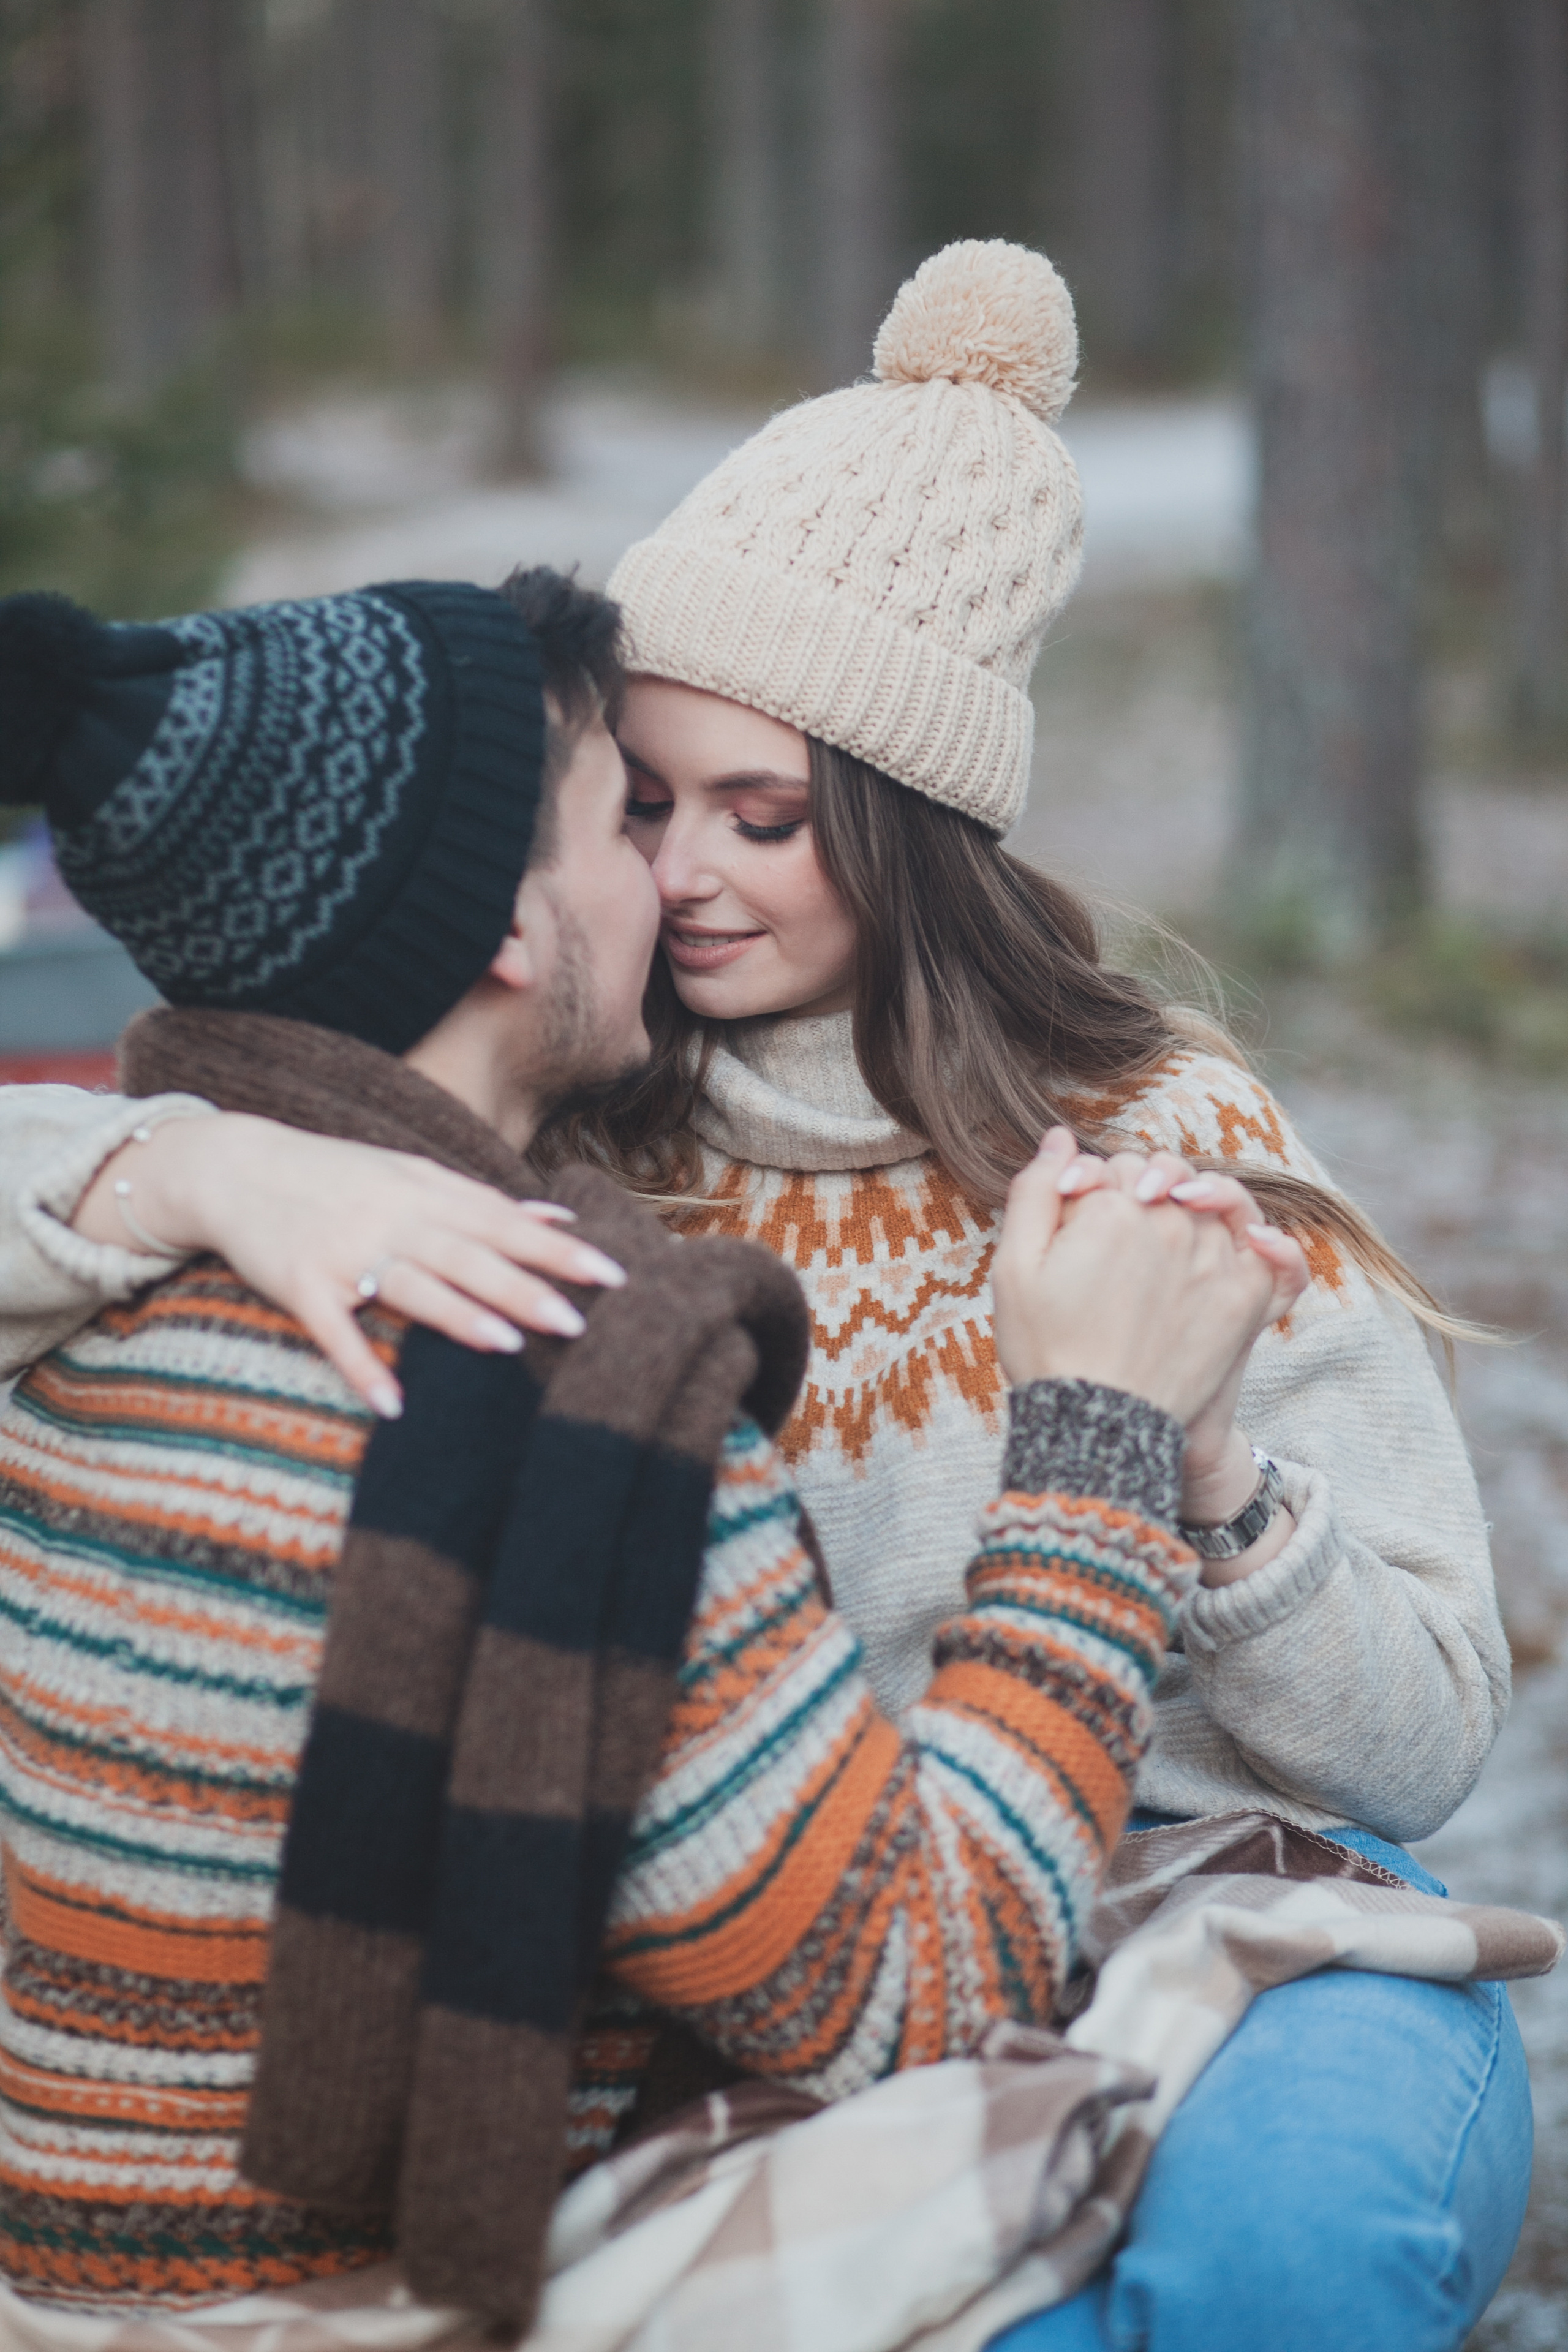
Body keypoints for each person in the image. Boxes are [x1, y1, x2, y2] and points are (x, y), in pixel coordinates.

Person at [0, 240, 1529, 2348]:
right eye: (637, 803)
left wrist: (1209, 1469)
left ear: (910, 827)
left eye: (764, 814)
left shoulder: (1156, 1130)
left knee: (1287, 2257)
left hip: (1224, 1898)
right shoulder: (542, 1151)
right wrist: (195, 1159)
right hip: (806, 1963)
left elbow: (1423, 1742)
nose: (685, 870)